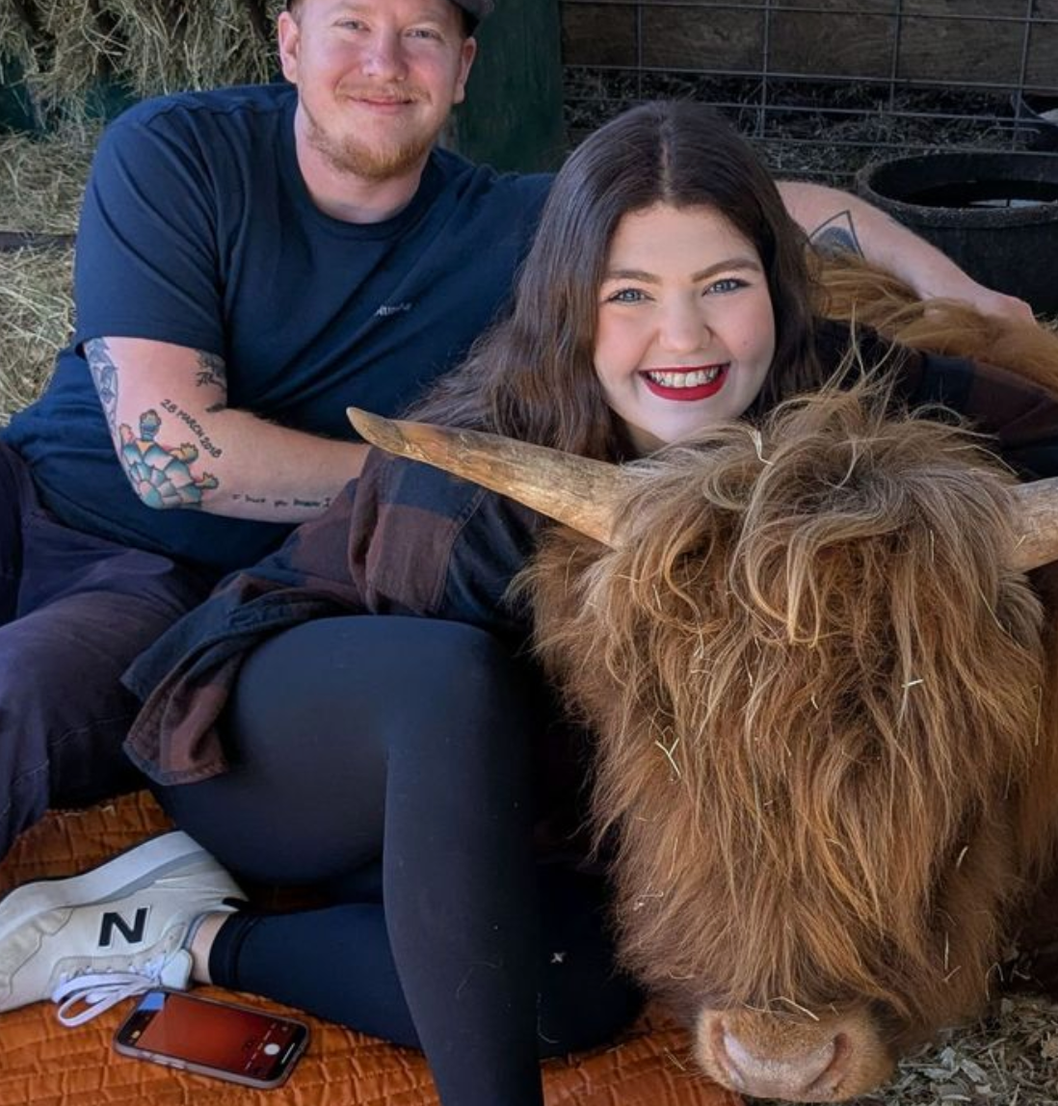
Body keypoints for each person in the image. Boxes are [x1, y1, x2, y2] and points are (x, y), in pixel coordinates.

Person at [1, 102, 1055, 1106]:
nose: (681, 337)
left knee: (569, 988)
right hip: (288, 740)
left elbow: (1034, 428)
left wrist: (945, 532)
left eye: (722, 284)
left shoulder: (829, 371)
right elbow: (496, 755)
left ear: (779, 291)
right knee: (451, 688)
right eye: (627, 291)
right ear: (568, 298)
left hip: (516, 778)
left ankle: (189, 932)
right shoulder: (472, 492)